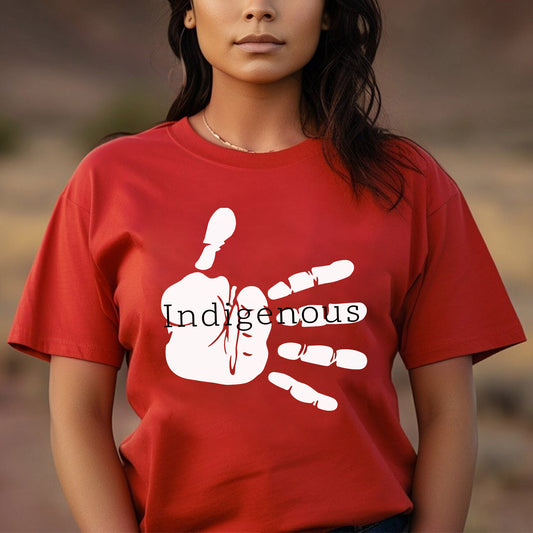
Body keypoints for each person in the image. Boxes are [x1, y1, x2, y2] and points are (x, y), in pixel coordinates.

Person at [8, 0, 526, 531]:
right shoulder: (110, 182)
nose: (258, 9)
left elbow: (449, 415)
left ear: (328, 13)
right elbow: (77, 416)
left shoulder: (409, 184)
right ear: (189, 11)